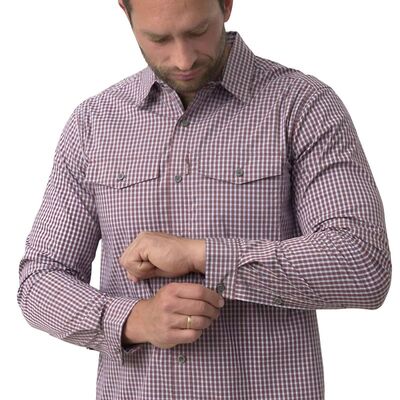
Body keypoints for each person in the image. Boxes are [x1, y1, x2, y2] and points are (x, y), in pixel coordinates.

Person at [17, 0, 392, 399]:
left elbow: (363, 263)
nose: (183, 59)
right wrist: (135, 320)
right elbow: (40, 280)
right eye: (159, 39)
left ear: (226, 4)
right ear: (125, 12)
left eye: (197, 32)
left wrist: (203, 256)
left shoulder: (302, 106)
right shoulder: (93, 124)